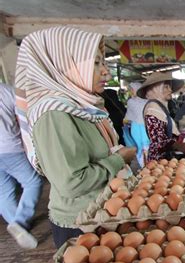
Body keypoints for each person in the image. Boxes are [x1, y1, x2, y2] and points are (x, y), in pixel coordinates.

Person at [15, 26, 136, 248]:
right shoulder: (54, 114)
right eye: (96, 62)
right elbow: (71, 182)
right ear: (64, 64)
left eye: (103, 62)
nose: (106, 72)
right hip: (82, 223)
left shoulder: (83, 106)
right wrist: (119, 158)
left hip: (103, 213)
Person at [0, 83, 43, 249]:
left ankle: (18, 226)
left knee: (4, 191)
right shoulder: (7, 91)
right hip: (10, 148)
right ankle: (20, 222)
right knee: (33, 182)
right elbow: (24, 113)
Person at [136, 72, 185, 162]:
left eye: (170, 86)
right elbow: (157, 140)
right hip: (158, 161)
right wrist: (177, 145)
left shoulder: (160, 107)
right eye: (166, 87)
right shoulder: (152, 109)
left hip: (166, 158)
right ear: (156, 89)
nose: (170, 90)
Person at [124, 81, 149, 166]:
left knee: (139, 147)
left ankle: (142, 165)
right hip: (146, 126)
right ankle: (149, 164)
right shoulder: (147, 101)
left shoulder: (131, 102)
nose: (130, 92)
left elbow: (128, 117)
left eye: (131, 90)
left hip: (136, 128)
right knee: (147, 146)